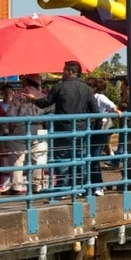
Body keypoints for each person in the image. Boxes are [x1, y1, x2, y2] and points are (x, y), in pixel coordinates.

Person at [40, 60, 97, 193]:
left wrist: (32, 99)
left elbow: (45, 102)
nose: (62, 73)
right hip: (81, 130)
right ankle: (80, 186)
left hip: (62, 129)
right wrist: (87, 124)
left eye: (64, 70)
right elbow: (95, 111)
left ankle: (63, 188)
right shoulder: (87, 89)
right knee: (80, 156)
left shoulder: (59, 87)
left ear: (70, 72)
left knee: (62, 158)